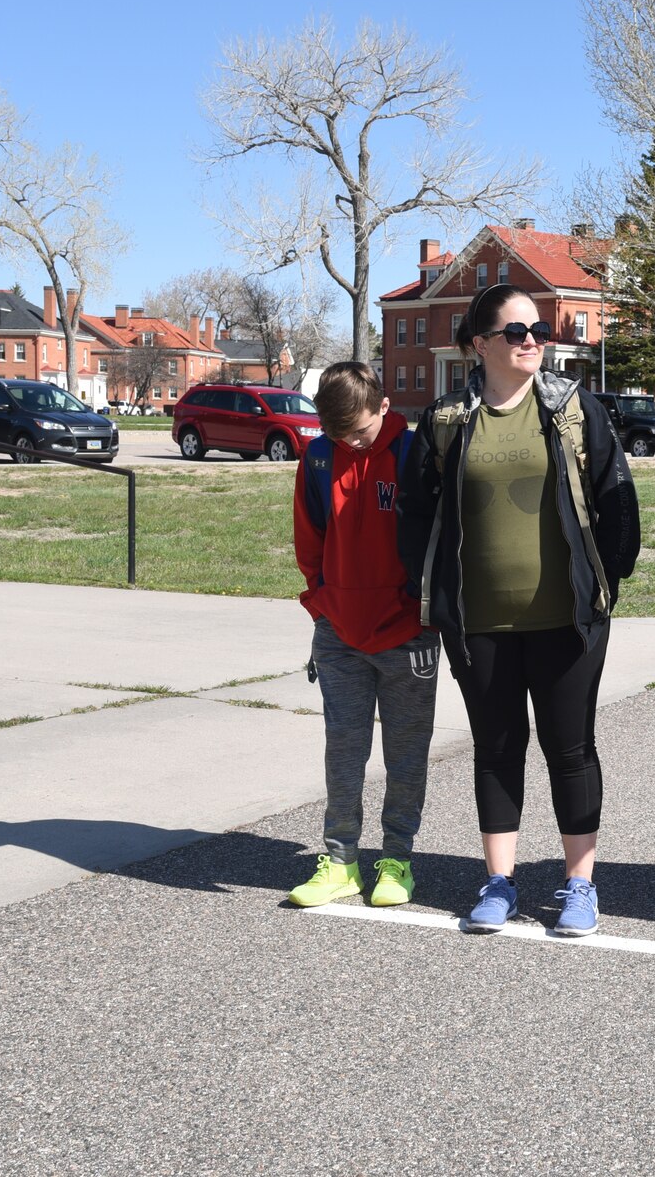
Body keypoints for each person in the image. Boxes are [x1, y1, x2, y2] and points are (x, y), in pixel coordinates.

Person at [399, 284, 639, 937]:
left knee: (571, 748)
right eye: (514, 330)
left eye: (536, 328)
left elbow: (616, 495)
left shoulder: (571, 408)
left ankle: (579, 886)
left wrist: (609, 577)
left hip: (568, 619)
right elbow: (417, 514)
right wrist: (434, 595)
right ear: (479, 343)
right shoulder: (447, 420)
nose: (530, 338)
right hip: (478, 623)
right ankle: (499, 882)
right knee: (497, 747)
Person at [286, 361, 441, 910]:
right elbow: (310, 538)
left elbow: (441, 538)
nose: (350, 441)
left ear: (383, 407)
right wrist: (321, 604)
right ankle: (341, 862)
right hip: (339, 633)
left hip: (408, 634)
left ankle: (396, 858)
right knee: (344, 752)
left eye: (359, 430)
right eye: (337, 432)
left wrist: (427, 610)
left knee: (405, 755)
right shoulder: (319, 457)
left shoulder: (414, 452)